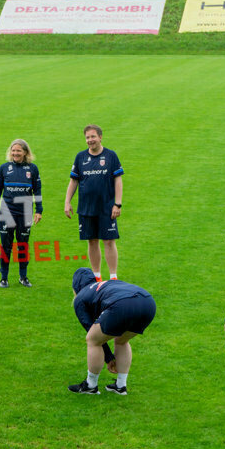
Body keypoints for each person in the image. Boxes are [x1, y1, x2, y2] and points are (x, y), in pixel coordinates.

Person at [67, 268, 155, 396]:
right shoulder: (106, 284)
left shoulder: (80, 297)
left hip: (123, 304)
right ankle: (120, 386)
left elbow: (90, 329)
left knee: (92, 339)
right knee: (121, 340)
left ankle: (90, 385)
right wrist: (109, 356)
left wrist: (109, 358)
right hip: (148, 302)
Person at [64, 125, 123, 282]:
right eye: (87, 137)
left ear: (100, 137)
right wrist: (67, 202)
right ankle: (97, 276)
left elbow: (118, 180)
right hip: (86, 208)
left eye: (93, 137)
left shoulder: (111, 156)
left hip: (106, 207)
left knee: (109, 241)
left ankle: (113, 277)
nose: (90, 140)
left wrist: (118, 204)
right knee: (92, 241)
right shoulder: (80, 157)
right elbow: (73, 181)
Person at [0, 139, 42, 288]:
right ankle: (4, 278)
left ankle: (23, 276)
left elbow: (37, 191)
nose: (15, 153)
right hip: (7, 213)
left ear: (25, 152)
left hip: (25, 213)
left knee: (23, 245)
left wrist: (39, 210)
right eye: (13, 150)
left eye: (19, 150)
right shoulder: (4, 168)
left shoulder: (32, 169)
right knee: (6, 246)